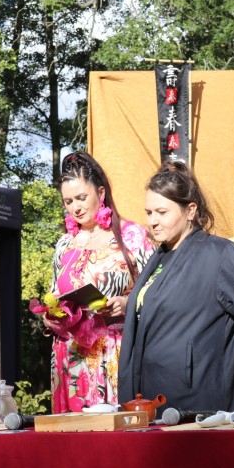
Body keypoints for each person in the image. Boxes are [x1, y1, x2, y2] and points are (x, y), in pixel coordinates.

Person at [119, 161, 234, 412]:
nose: (153, 221)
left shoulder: (221, 254)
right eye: (149, 213)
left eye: (162, 212)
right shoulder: (158, 257)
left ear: (190, 211)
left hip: (196, 393)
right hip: (151, 390)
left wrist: (232, 359)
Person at [38, 152, 155, 413]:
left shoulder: (131, 236)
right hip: (70, 356)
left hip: (116, 350)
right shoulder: (65, 244)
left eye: (81, 198)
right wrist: (51, 316)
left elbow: (161, 288)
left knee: (116, 436)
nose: (75, 207)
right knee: (75, 442)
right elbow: (54, 294)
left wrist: (128, 302)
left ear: (100, 193)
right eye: (68, 201)